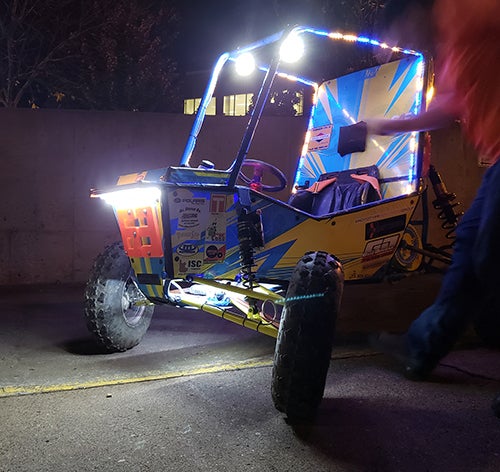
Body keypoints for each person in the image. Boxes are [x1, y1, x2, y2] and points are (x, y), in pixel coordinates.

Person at [366, 0, 500, 415]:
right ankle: (421, 348)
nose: (402, 46)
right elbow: (447, 109)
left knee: (492, 256)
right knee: (467, 250)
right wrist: (389, 124)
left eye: (398, 36)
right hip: (497, 160)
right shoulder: (450, 54)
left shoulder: (464, 8)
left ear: (412, 13)